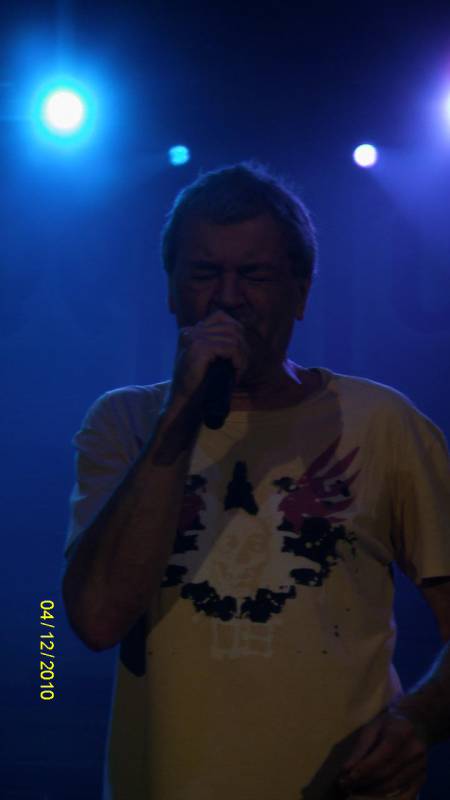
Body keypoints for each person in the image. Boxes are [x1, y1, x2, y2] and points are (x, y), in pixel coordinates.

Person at [62, 162, 450, 800]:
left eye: (256, 275)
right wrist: (179, 418)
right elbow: (91, 621)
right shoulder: (123, 424)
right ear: (171, 290)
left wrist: (419, 722)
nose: (228, 297)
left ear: (301, 293)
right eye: (204, 273)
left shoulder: (381, 423)